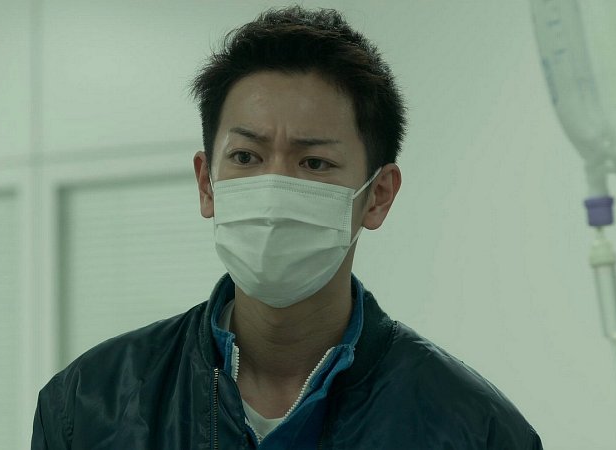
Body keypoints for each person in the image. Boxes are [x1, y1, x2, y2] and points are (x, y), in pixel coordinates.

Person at [31, 6, 543, 449]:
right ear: (207, 184)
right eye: (246, 157)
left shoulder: (474, 429)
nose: (274, 189)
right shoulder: (89, 406)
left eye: (314, 163)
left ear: (378, 196)